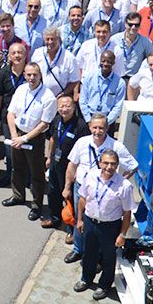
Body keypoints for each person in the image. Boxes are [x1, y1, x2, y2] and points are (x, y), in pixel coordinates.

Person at [62, 114, 137, 264]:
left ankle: (95, 257)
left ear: (107, 128)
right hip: (82, 188)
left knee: (99, 226)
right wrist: (67, 186)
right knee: (79, 219)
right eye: (95, 127)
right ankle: (78, 249)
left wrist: (119, 181)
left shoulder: (116, 147)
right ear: (89, 127)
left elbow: (133, 166)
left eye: (101, 128)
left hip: (105, 191)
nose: (97, 131)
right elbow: (72, 165)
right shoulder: (82, 142)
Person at [74, 149, 135, 300]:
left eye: (113, 164)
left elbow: (127, 213)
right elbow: (83, 199)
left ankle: (104, 285)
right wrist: (80, 220)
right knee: (89, 253)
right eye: (106, 163)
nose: (109, 167)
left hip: (110, 226)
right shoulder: (92, 176)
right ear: (100, 163)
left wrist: (122, 234)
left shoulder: (124, 186)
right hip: (90, 221)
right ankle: (86, 279)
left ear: (117, 165)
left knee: (108, 258)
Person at [4, 63, 57, 221]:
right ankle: (18, 196)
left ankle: (36, 205)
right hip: (18, 134)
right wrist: (15, 136)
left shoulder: (48, 96)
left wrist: (24, 139)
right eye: (28, 75)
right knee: (17, 168)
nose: (31, 78)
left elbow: (44, 124)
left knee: (36, 174)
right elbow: (10, 113)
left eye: (34, 74)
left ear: (40, 75)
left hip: (34, 138)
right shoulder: (21, 90)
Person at [45, 95, 88, 230]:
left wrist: (78, 169)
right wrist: (49, 157)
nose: (64, 109)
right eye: (61, 106)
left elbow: (84, 150)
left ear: (74, 107)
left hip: (70, 167)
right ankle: (55, 219)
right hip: (55, 162)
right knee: (53, 192)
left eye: (68, 106)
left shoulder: (80, 126)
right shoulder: (57, 120)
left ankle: (71, 229)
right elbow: (52, 138)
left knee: (68, 196)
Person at [78, 50, 125, 127]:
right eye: (103, 61)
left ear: (113, 63)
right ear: (100, 61)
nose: (105, 64)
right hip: (89, 118)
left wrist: (106, 123)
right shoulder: (89, 77)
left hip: (107, 121)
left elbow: (118, 106)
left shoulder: (120, 83)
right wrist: (89, 120)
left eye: (109, 61)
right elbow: (82, 100)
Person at [30, 28, 79, 98]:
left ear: (59, 40)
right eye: (47, 39)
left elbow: (74, 81)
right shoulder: (37, 53)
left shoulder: (69, 57)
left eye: (53, 39)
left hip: (60, 98)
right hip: (39, 96)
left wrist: (62, 95)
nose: (50, 42)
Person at [109, 13, 153, 79]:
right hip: (116, 77)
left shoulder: (146, 41)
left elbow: (151, 59)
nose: (133, 27)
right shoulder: (114, 39)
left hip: (134, 78)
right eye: (130, 24)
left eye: (136, 25)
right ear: (125, 24)